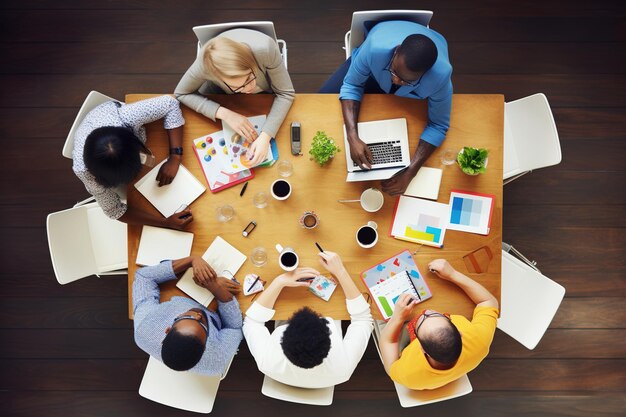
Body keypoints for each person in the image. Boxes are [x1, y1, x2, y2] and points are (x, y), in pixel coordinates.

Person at [319, 20, 453, 196]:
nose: (396, 81)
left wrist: (411, 172)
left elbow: (438, 125)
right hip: (373, 71)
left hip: (402, 89)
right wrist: (352, 136)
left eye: (405, 80)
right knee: (321, 101)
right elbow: (352, 85)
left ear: (425, 75)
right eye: (395, 72)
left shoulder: (440, 77)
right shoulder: (374, 49)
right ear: (396, 51)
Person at [242, 251, 373, 388]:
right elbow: (363, 320)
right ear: (330, 340)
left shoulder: (266, 362)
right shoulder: (343, 368)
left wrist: (279, 282)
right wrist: (340, 272)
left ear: (283, 338)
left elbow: (251, 322)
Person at [175, 28, 295, 166]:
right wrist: (226, 114)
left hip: (266, 93)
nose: (249, 88)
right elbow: (181, 92)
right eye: (239, 86)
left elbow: (286, 93)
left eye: (249, 77)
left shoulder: (265, 49)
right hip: (225, 98)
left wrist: (265, 136)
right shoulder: (205, 65)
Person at [73, 95, 193, 229]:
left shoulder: (125, 117)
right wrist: (164, 222)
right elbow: (114, 211)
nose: (144, 162)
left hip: (108, 115)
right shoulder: (87, 176)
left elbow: (170, 104)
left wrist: (175, 157)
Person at [378, 259, 499, 390]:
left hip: (406, 351)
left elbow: (389, 357)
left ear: (422, 348)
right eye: (437, 315)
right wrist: (452, 274)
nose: (427, 311)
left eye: (422, 320)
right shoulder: (480, 341)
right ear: (459, 333)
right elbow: (489, 301)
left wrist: (397, 318)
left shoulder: (406, 374)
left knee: (379, 314)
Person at [133, 255, 243, 375]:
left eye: (188, 317)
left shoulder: (144, 327)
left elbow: (143, 278)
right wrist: (215, 287)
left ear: (168, 329)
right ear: (205, 346)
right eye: (203, 325)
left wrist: (192, 260)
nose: (198, 314)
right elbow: (235, 327)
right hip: (215, 304)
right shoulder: (217, 358)